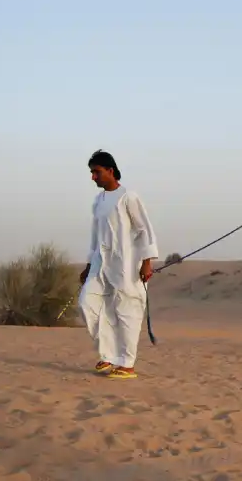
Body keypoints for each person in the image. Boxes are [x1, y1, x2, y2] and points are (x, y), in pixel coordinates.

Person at [78, 150, 159, 379]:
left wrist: (146, 262)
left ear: (110, 171)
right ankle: (108, 355)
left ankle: (127, 363)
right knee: (87, 303)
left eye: (97, 172)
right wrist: (88, 265)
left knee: (127, 310)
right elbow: (95, 235)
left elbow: (144, 230)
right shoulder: (98, 201)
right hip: (99, 262)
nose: (93, 177)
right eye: (92, 172)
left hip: (126, 263)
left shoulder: (128, 197)